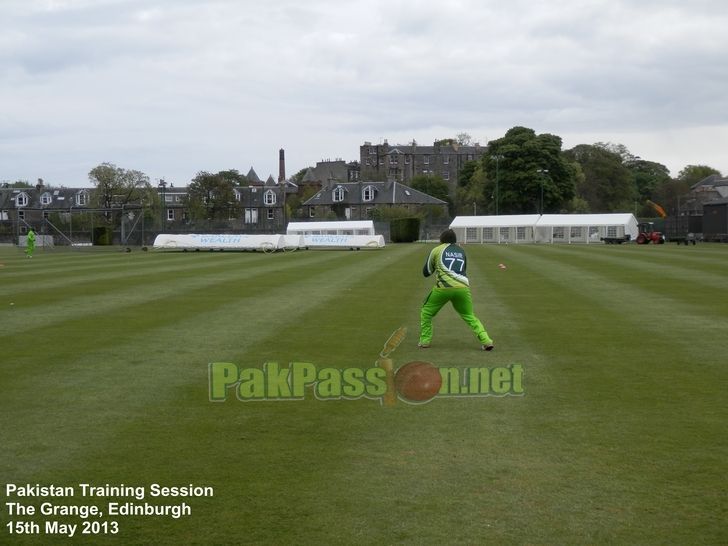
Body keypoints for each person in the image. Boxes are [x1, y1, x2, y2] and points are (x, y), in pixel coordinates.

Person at [419, 229, 494, 351]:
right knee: (469, 315)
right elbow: (463, 269)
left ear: (441, 239)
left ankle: (425, 341)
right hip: (463, 287)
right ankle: (486, 340)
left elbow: (426, 272)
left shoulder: (437, 250)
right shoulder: (461, 250)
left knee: (426, 312)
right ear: (455, 240)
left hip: (443, 288)